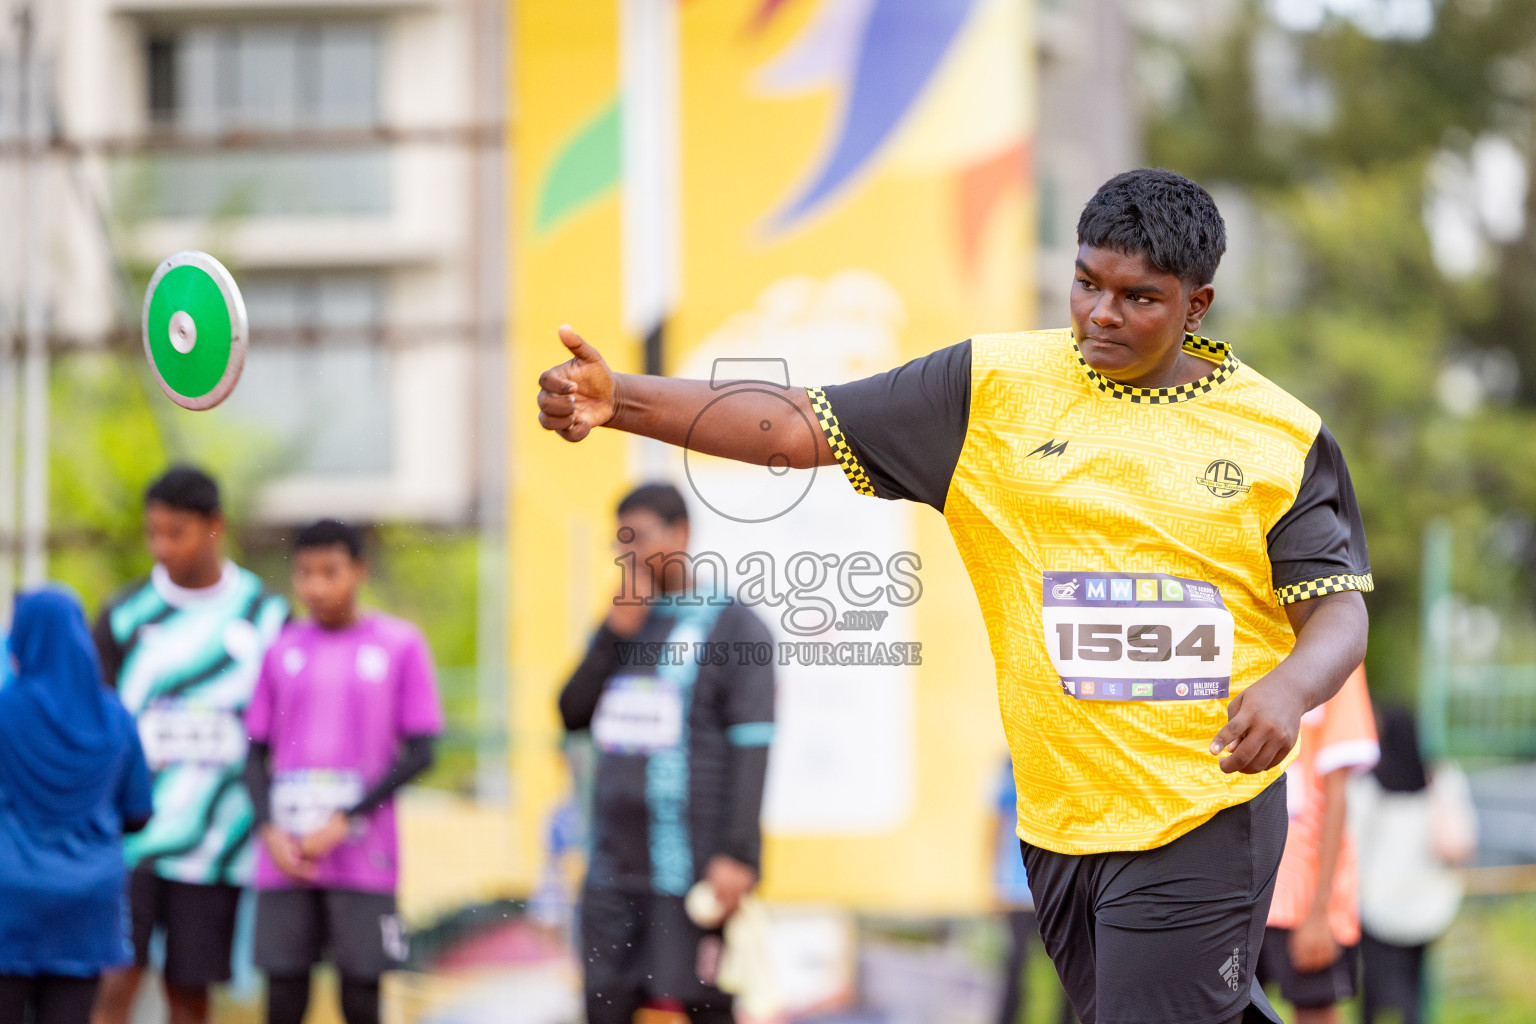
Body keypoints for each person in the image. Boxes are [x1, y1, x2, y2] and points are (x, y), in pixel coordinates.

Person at [536, 169, 1373, 1024]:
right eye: (1087, 282)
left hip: (1204, 809)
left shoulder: (1280, 437)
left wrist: (1291, 687)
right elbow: (796, 424)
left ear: (1196, 306)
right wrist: (621, 401)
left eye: (1138, 298)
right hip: (1059, 820)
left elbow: (1339, 610)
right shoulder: (991, 389)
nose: (1102, 314)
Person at [559, 483, 776, 1024]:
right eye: (621, 542)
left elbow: (752, 749)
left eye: (641, 538)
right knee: (605, 1003)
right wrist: (613, 634)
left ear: (680, 534)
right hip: (612, 869)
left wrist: (740, 854)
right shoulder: (622, 626)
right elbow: (570, 711)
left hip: (696, 872)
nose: (629, 554)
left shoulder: (734, 626)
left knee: (705, 1006)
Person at [92, 466, 289, 1024]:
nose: (162, 547)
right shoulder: (125, 615)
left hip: (217, 845)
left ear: (214, 527)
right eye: (153, 532)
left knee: (190, 997)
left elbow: (280, 735)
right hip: (132, 841)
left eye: (175, 532)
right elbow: (95, 724)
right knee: (113, 985)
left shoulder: (266, 616)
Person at [243, 519, 443, 1024]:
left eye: (330, 572)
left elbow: (422, 750)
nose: (316, 586)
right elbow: (253, 751)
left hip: (363, 855)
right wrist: (269, 829)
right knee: (284, 994)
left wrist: (346, 817)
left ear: (359, 570)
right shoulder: (281, 649)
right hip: (288, 858)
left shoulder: (400, 644)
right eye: (305, 573)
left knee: (360, 996)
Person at [0, 588, 153, 1024]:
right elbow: (138, 813)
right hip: (86, 905)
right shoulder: (115, 716)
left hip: (8, 900)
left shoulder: (4, 711)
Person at [1255, 665, 1378, 1023]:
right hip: (1234, 885)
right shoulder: (1239, 634)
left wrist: (1321, 909)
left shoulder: (1334, 646)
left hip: (1304, 894)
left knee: (1314, 1011)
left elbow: (1337, 792)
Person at [1352, 707, 1475, 1024]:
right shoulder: (1442, 777)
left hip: (1376, 907)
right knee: (1416, 991)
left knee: (1376, 993)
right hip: (1429, 907)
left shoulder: (1367, 784)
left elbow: (1350, 842)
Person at [993, 759, 1074, 1024]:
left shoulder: (1061, 759)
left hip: (1056, 887)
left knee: (1068, 969)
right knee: (1015, 966)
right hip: (1016, 891)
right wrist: (994, 882)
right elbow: (995, 824)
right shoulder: (1007, 767)